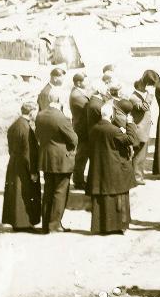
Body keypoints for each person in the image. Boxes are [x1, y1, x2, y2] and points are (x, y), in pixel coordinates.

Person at [87, 101, 136, 235]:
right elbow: (131, 139)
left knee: (102, 199)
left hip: (100, 168)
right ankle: (118, 225)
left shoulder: (94, 129)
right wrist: (130, 124)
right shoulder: (114, 131)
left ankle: (101, 226)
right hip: (115, 168)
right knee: (118, 197)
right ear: (111, 115)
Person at [35, 91, 77, 234]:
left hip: (47, 159)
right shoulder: (61, 117)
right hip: (61, 160)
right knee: (60, 192)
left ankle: (46, 224)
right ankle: (55, 225)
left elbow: (38, 135)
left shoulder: (40, 115)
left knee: (48, 191)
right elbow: (74, 139)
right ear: (59, 100)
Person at [2, 102, 41, 232]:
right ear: (31, 112)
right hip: (24, 166)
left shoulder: (15, 125)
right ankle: (24, 224)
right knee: (24, 193)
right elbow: (28, 153)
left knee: (15, 194)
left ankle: (17, 222)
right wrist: (33, 171)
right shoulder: (25, 128)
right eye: (35, 111)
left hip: (14, 163)